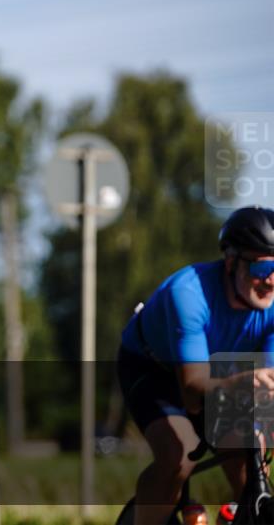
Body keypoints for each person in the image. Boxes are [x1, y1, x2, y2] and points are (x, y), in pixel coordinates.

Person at [117, 206, 274, 524]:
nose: (271, 281)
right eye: (262, 268)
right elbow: (192, 392)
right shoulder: (188, 294)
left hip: (227, 372)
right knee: (177, 456)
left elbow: (267, 386)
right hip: (156, 370)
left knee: (251, 455)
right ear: (231, 262)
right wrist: (246, 385)